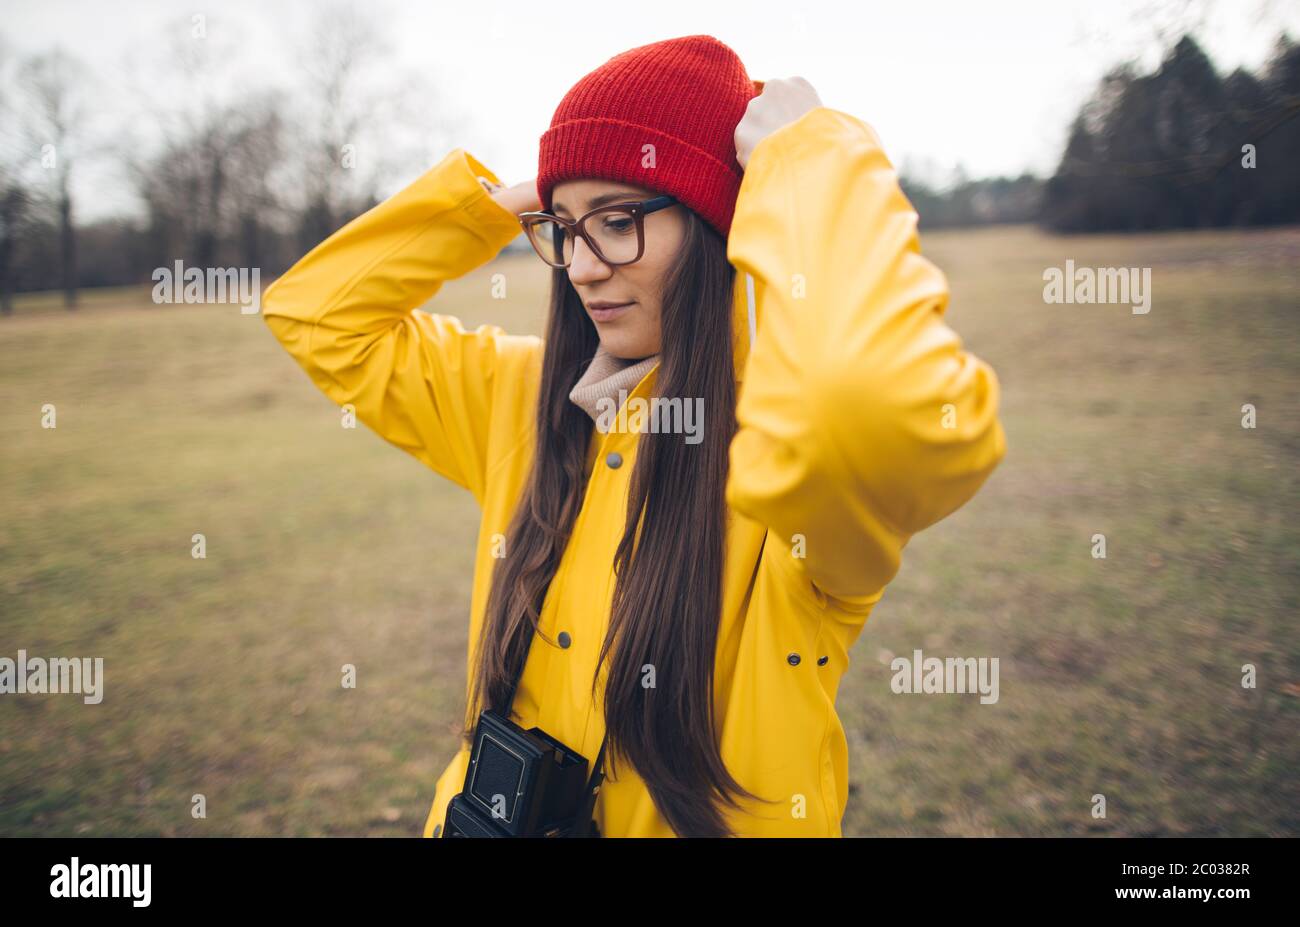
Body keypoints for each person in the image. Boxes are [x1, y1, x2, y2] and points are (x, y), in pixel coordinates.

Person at [261, 34, 1007, 837]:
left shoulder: (781, 453)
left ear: (720, 228)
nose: (580, 267)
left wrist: (809, 158)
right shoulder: (520, 398)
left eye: (618, 221)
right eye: (563, 228)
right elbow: (317, 314)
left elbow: (870, 404)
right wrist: (491, 206)